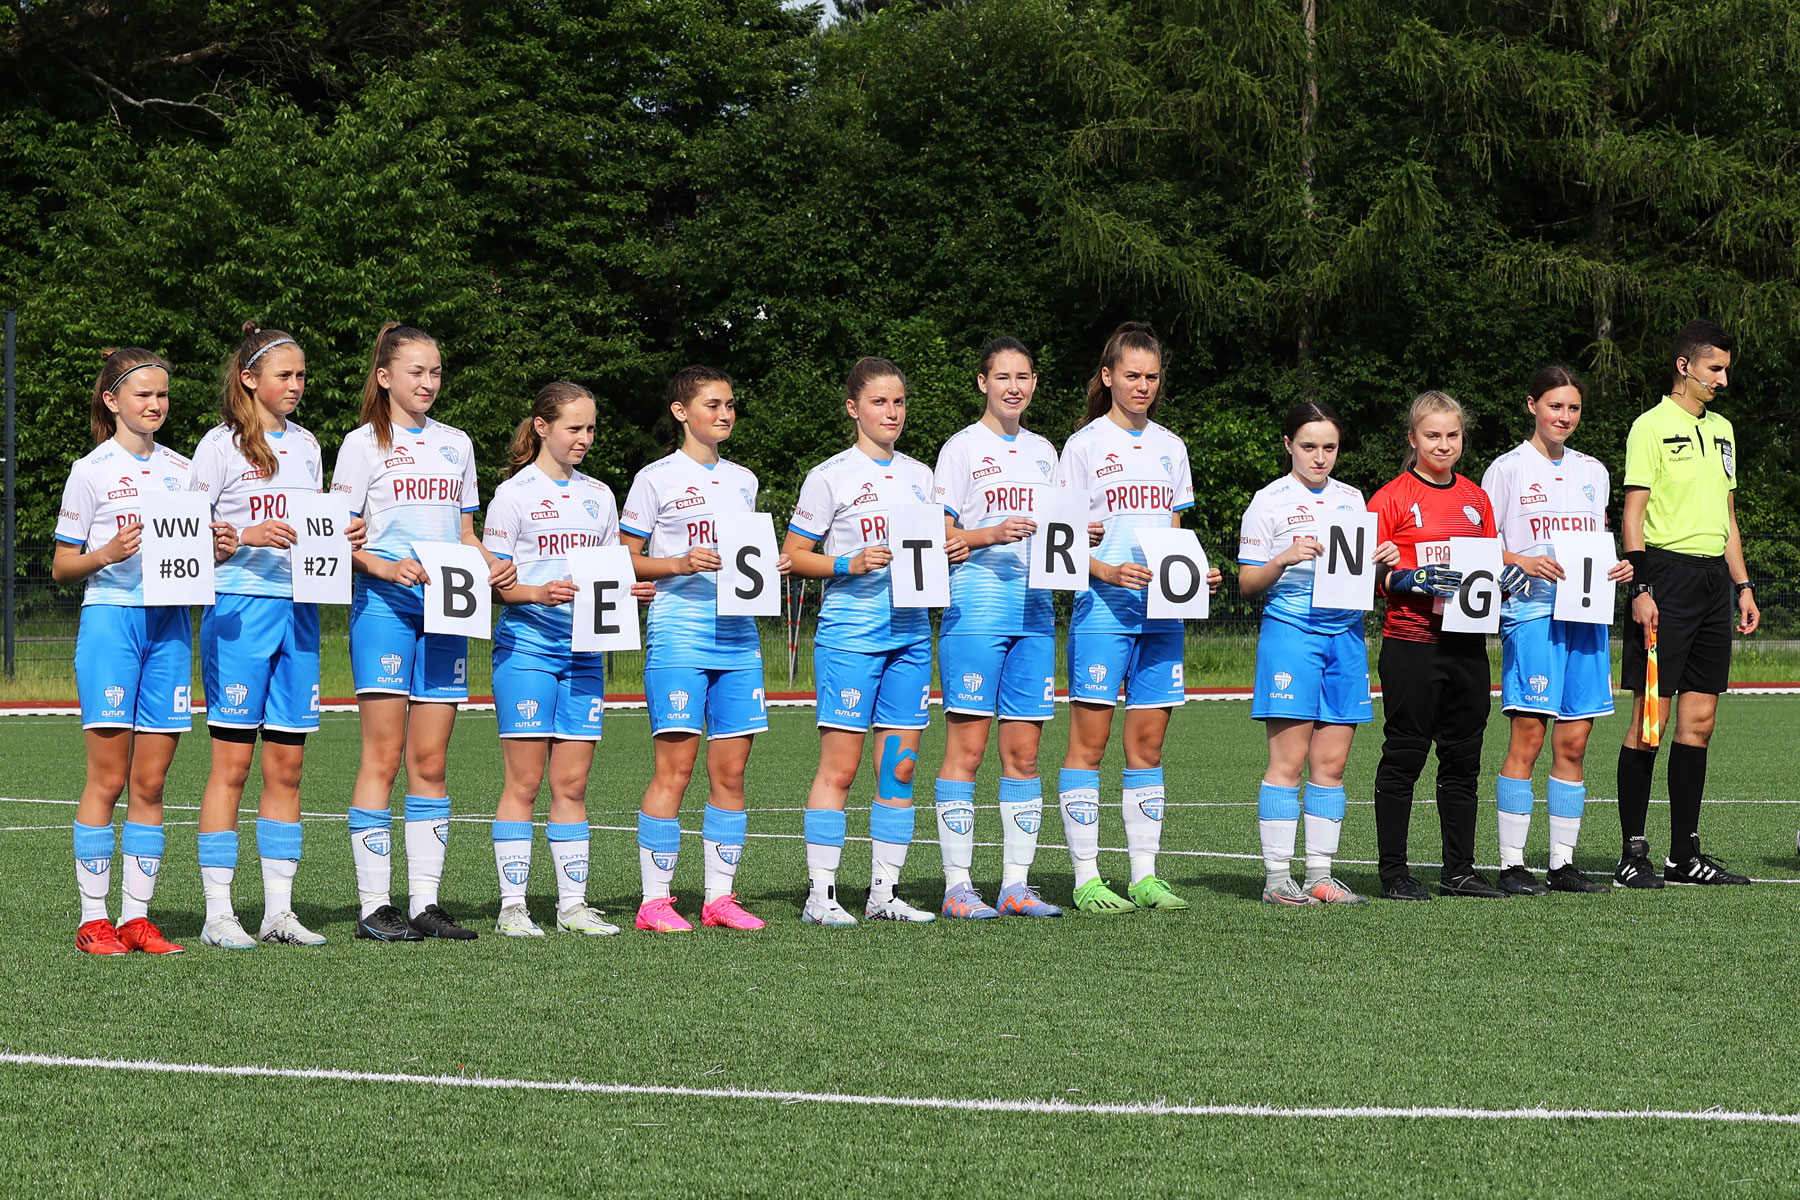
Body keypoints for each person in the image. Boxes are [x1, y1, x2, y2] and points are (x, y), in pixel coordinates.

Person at [332, 322, 516, 941]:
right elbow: (337, 536)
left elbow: (465, 533)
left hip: (448, 610)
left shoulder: (456, 443)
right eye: (416, 372)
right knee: (383, 757)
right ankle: (373, 907)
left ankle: (425, 905)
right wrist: (385, 566)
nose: (428, 383)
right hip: (383, 607)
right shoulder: (360, 445)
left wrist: (490, 560)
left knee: (431, 760)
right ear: (385, 376)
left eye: (436, 372)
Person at [55, 348, 238, 955]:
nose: (156, 405)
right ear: (112, 402)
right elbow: (62, 566)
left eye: (163, 395)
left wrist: (223, 546)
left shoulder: (184, 470)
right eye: (143, 395)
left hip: (169, 628)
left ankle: (137, 919)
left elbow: (197, 558)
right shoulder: (90, 470)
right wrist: (106, 553)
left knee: (152, 783)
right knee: (107, 778)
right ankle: (93, 919)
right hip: (112, 624)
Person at [190, 323, 365, 949]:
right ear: (249, 379)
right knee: (232, 765)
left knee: (288, 765)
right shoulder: (218, 446)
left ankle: (278, 914)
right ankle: (218, 914)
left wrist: (344, 537)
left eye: (301, 376)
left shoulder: (310, 444)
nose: (295, 386)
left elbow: (317, 525)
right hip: (240, 609)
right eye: (284, 376)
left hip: (300, 610)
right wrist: (242, 537)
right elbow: (183, 533)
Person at [783, 357, 965, 926]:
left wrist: (950, 550)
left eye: (899, 402)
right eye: (880, 402)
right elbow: (792, 556)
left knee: (902, 766)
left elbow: (932, 545)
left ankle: (883, 895)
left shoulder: (920, 474)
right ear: (853, 408)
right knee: (841, 767)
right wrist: (848, 561)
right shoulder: (829, 474)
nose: (892, 412)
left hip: (910, 636)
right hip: (850, 638)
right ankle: (822, 896)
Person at [1056, 322, 1219, 914]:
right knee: (1089, 745)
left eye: (1152, 376)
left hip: (1161, 614)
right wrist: (1103, 571)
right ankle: (1085, 877)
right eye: (1132, 375)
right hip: (1103, 608)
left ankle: (1144, 876)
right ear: (1108, 377)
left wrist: (1192, 575)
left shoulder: (1171, 446)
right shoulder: (1082, 446)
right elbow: (1060, 540)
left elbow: (1174, 533)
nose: (1143, 385)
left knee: (1147, 747)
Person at [621, 366, 788, 933]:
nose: (724, 414)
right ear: (680, 412)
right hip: (679, 633)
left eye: (731, 404)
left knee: (732, 774)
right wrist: (677, 564)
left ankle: (720, 899)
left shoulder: (744, 479)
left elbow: (748, 562)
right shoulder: (655, 478)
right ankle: (655, 903)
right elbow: (622, 557)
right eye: (713, 404)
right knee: (676, 769)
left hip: (739, 638)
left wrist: (772, 565)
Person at [483, 382, 633, 937]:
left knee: (571, 786)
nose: (585, 439)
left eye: (591, 428)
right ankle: (512, 908)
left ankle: (572, 906)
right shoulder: (513, 495)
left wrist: (628, 592)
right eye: (575, 427)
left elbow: (609, 576)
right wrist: (537, 593)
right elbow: (495, 584)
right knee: (523, 782)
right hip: (527, 648)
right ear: (543, 427)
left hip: (585, 654)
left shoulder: (600, 495)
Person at [1615, 319, 1758, 887]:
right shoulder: (1650, 426)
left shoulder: (1723, 428)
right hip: (1665, 578)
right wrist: (1641, 587)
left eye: (1725, 369)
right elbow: (1631, 513)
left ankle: (1683, 854)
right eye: (1714, 369)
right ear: (1685, 367)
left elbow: (1726, 518)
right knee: (1651, 722)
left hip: (1711, 585)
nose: (1722, 379)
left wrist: (1742, 585)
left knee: (1699, 724)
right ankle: (1632, 852)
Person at [1237, 401, 1397, 906]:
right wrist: (1284, 557)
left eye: (1329, 447)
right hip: (1291, 634)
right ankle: (1276, 878)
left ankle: (1320, 875)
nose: (1320, 457)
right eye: (1309, 446)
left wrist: (1382, 563)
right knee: (1288, 762)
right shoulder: (1268, 501)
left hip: (1346, 638)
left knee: (1332, 765)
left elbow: (1362, 578)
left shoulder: (1353, 499)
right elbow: (1246, 584)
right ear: (1288, 445)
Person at [1480, 366, 1629, 895]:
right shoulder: (1506, 469)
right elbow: (1479, 546)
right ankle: (1512, 864)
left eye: (1573, 408)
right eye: (1555, 406)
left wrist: (1620, 568)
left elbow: (1598, 542)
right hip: (1532, 613)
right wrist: (1522, 559)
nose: (1564, 417)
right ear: (1532, 406)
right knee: (1530, 735)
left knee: (1575, 742)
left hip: (1585, 616)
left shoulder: (1594, 470)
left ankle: (1562, 864)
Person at [930, 337, 1063, 919]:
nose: (1014, 386)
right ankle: (957, 885)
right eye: (1003, 376)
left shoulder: (1044, 451)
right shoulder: (960, 449)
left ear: (1035, 384)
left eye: (1024, 376)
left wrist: (1075, 536)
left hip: (1034, 612)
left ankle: (1016, 884)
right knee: (968, 748)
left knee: (1025, 753)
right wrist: (990, 534)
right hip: (976, 610)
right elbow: (934, 537)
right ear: (982, 383)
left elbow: (1055, 529)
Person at [1367, 390, 1519, 900]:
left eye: (1452, 435)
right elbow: (1368, 579)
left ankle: (1460, 870)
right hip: (1411, 644)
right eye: (1432, 435)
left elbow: (1487, 566)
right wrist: (1410, 579)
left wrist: (1503, 581)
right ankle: (1394, 874)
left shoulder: (1476, 498)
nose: (1443, 444)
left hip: (1467, 646)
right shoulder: (1388, 499)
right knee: (1405, 755)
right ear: (1413, 438)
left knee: (1463, 759)